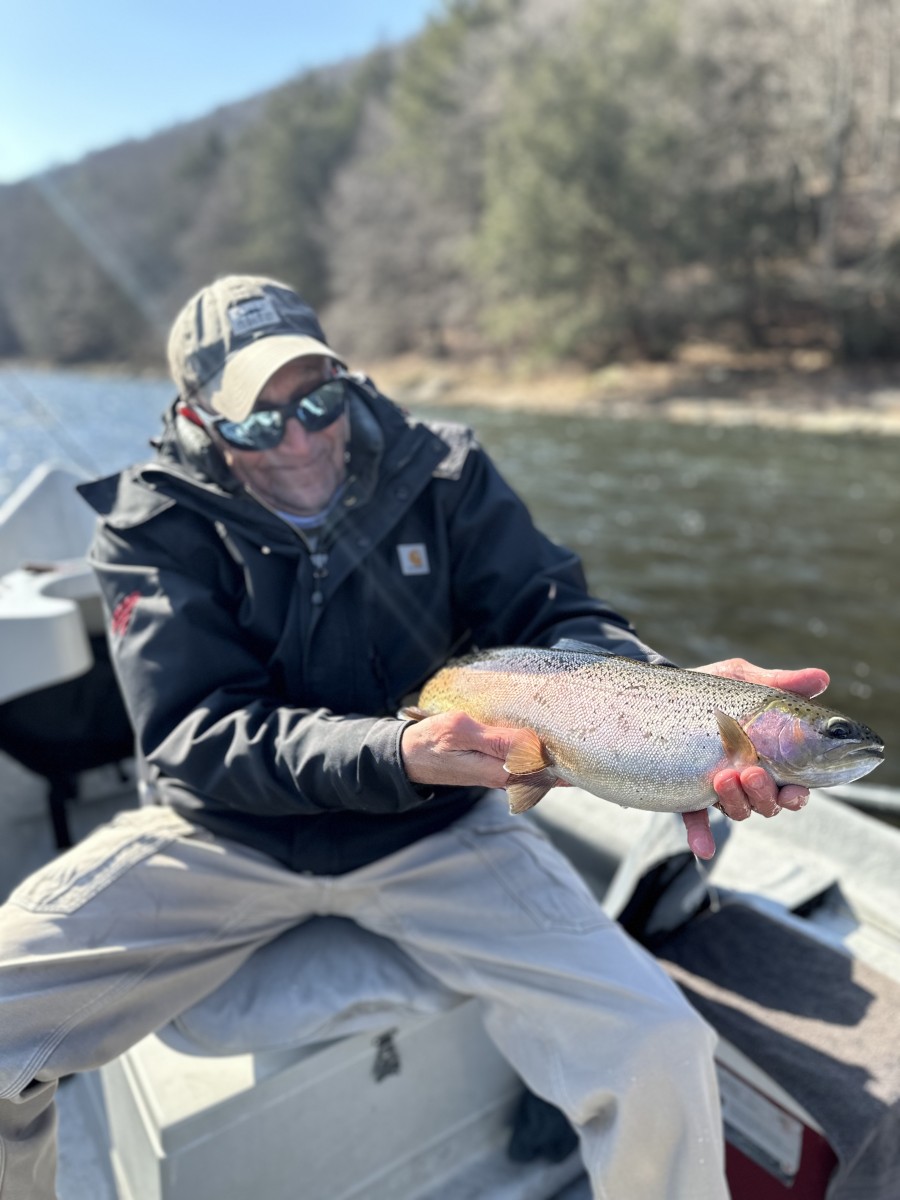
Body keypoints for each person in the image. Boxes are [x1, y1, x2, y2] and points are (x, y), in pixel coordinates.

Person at [0, 275, 827, 1200]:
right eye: (261, 421)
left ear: (343, 378)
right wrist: (391, 752)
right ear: (198, 419)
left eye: (318, 398)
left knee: (659, 1044)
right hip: (226, 831)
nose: (304, 435)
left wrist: (652, 691)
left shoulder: (444, 471)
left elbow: (554, 609)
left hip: (435, 827)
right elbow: (196, 732)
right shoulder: (148, 525)